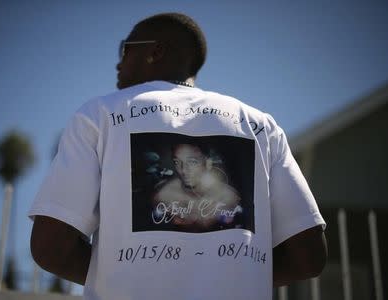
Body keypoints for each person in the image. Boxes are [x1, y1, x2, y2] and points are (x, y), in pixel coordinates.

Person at [29, 12, 327, 300]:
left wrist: (128, 278)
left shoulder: (99, 115)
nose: (118, 65)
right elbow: (309, 257)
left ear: (155, 51)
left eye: (125, 50)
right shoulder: (261, 126)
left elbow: (50, 248)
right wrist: (236, 279)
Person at [152, 143, 242, 232]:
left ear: (208, 163)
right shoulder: (164, 196)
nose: (183, 170)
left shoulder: (228, 197)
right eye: (177, 162)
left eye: (192, 162)